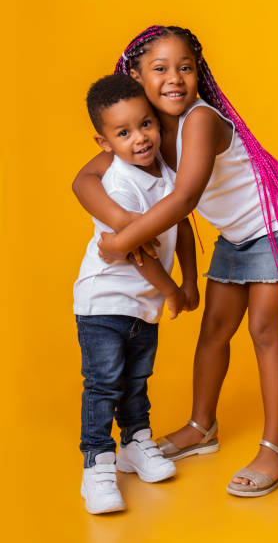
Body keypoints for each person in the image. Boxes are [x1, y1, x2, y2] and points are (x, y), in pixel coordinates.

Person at [72, 26, 278, 498]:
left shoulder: (199, 121)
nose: (175, 79)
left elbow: (186, 198)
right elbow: (86, 178)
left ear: (199, 74)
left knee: (265, 330)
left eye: (185, 68)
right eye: (160, 69)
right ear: (135, 76)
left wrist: (121, 239)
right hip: (238, 233)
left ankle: (277, 448)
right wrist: (121, 219)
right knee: (213, 331)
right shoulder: (143, 131)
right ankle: (201, 426)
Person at [73, 73, 199, 514]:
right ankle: (97, 465)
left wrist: (189, 281)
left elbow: (183, 226)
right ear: (104, 142)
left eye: (145, 124)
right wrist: (173, 294)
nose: (139, 138)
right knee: (105, 383)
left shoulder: (167, 172)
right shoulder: (120, 185)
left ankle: (135, 445)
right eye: (123, 133)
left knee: (136, 380)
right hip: (104, 303)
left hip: (141, 306)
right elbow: (138, 254)